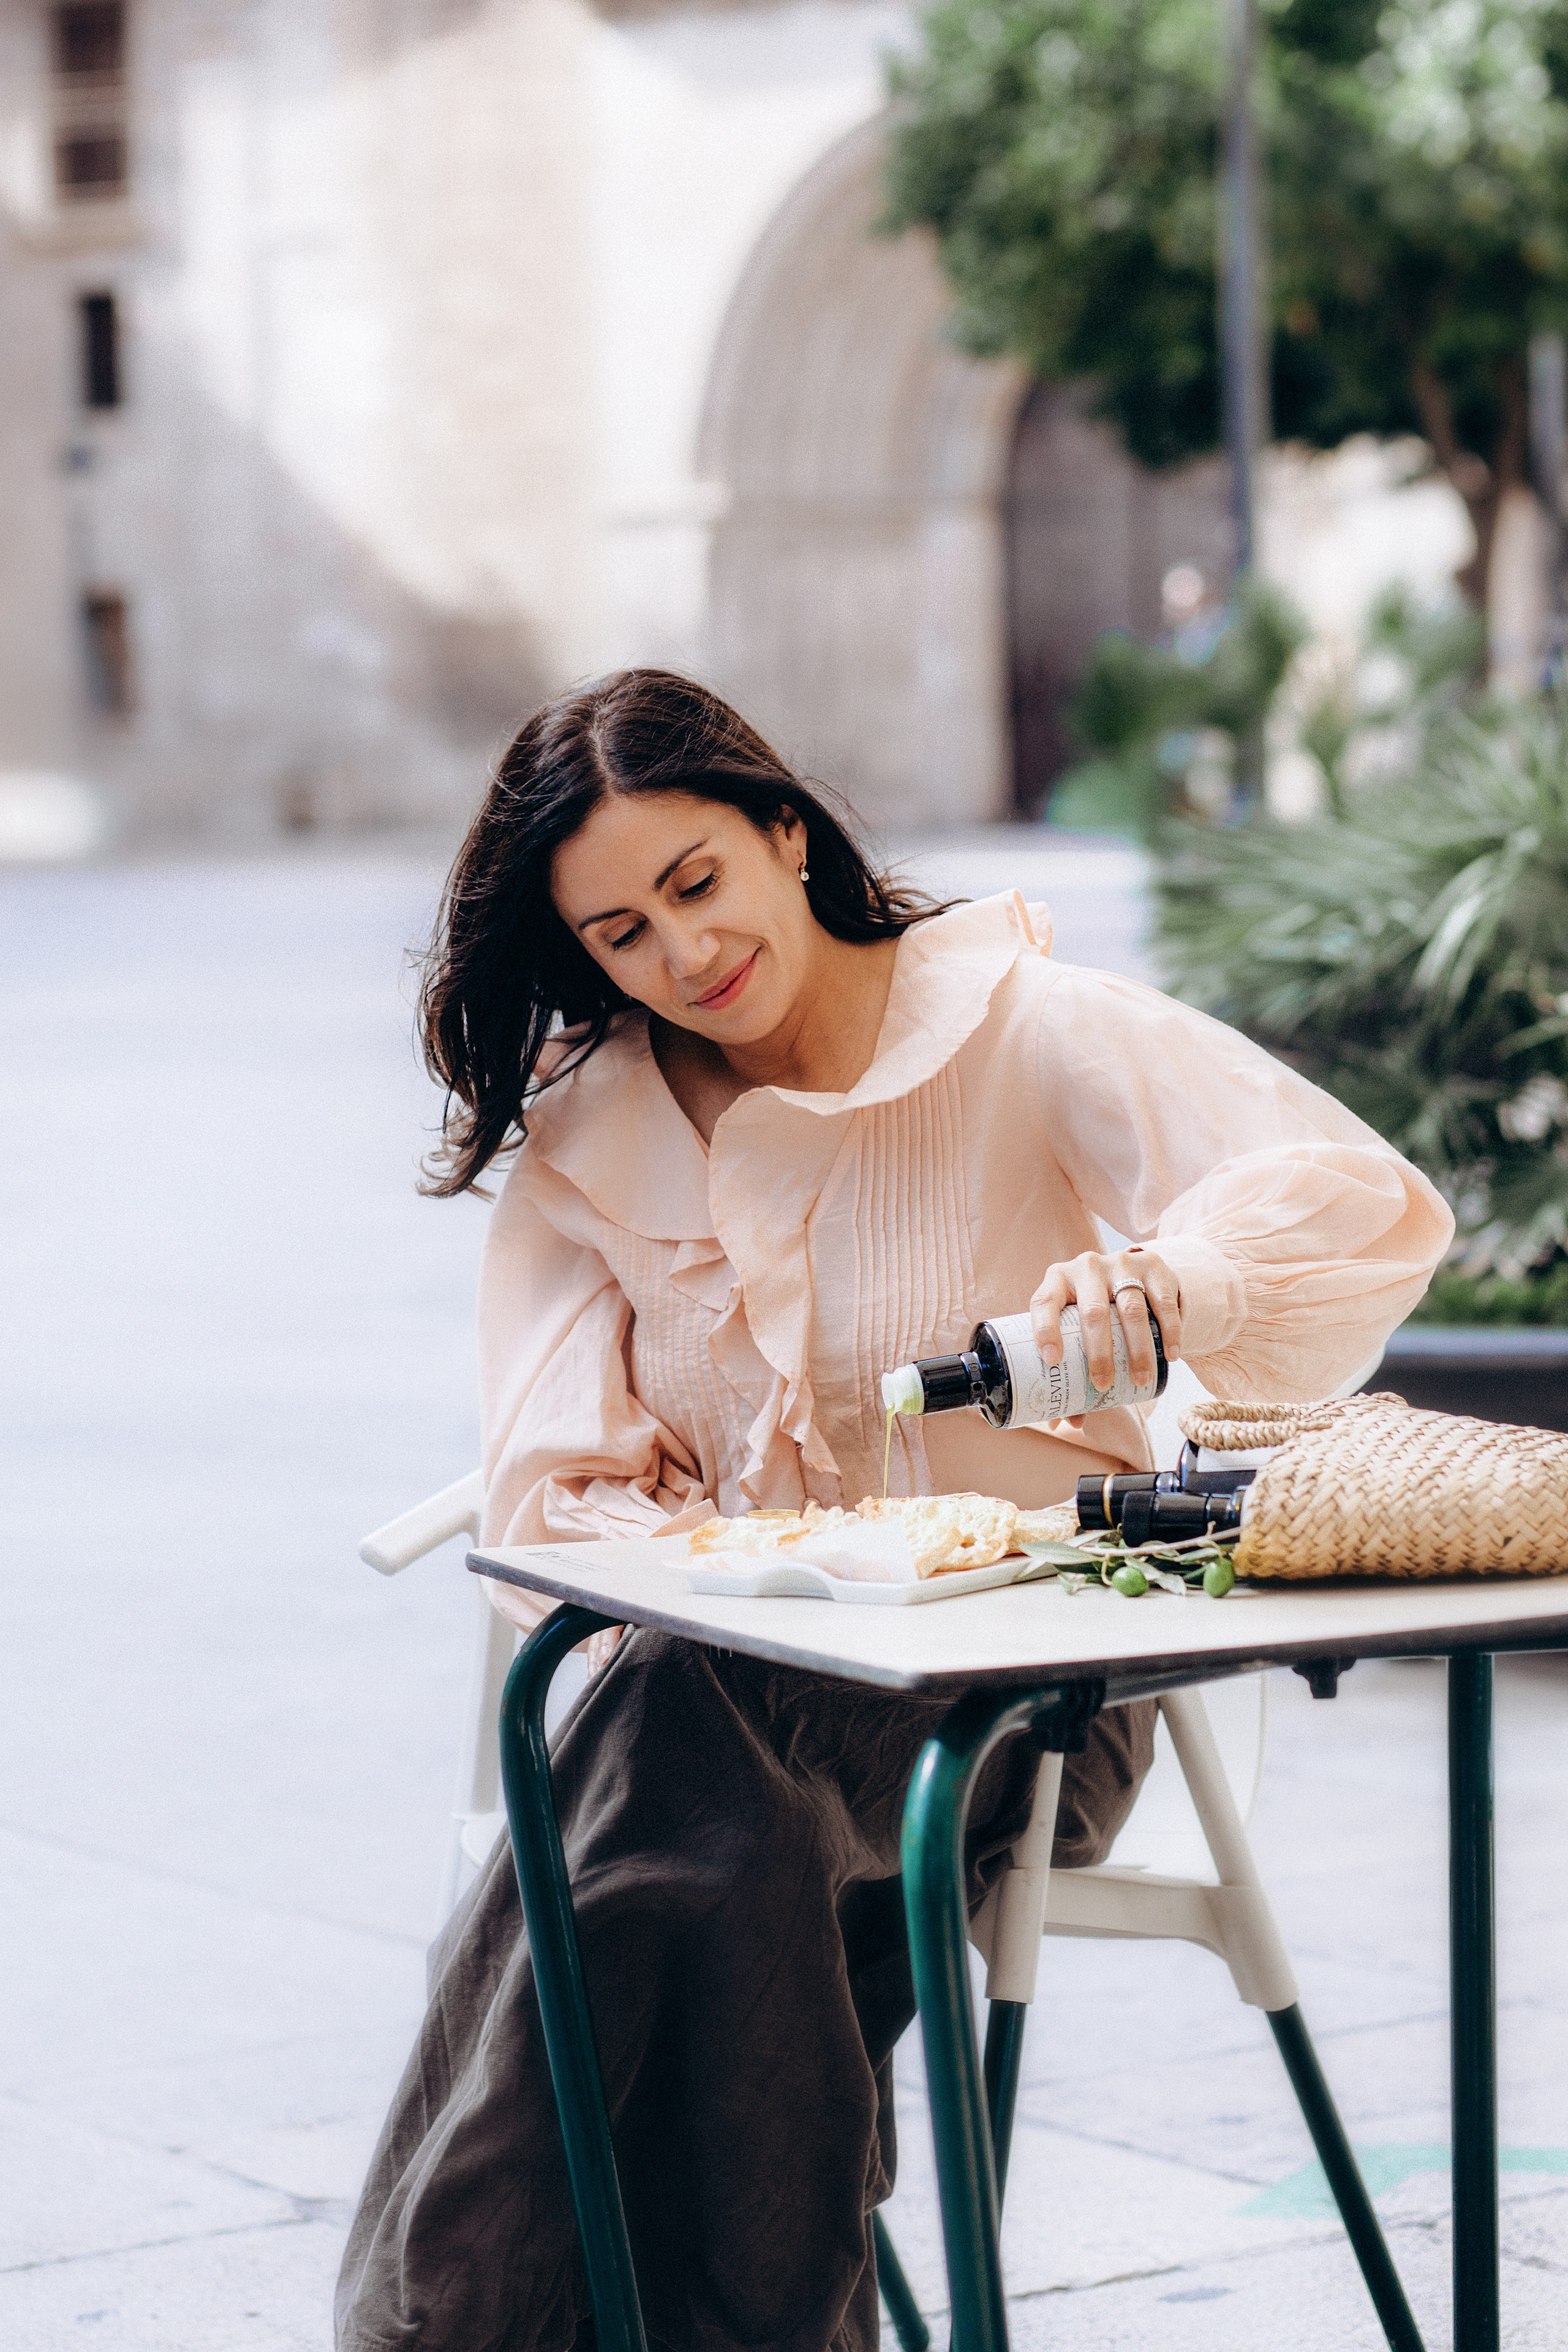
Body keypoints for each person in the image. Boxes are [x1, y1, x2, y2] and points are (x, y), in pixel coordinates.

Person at [336, 671, 1452, 2352]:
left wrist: (1169, 1288)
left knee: (662, 1785)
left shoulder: (1014, 1023)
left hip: (1026, 1700)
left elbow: (1361, 1209)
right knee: (709, 1802)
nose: (682, 957)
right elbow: (554, 1489)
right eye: (624, 935)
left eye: (698, 883)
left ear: (785, 831)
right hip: (733, 1712)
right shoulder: (596, 1140)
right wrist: (675, 1525)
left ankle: (444, 2319)